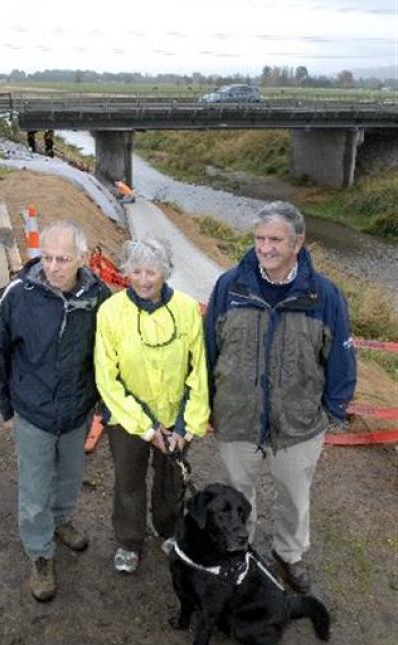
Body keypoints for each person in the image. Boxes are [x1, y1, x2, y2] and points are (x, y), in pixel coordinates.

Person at [205, 201, 356, 594]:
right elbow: (208, 348)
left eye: (275, 239)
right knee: (238, 497)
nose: (266, 247)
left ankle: (289, 555)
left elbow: (341, 355)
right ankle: (241, 552)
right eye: (260, 238)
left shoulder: (324, 295)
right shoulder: (229, 287)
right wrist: (207, 401)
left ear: (298, 242)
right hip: (238, 417)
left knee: (294, 495)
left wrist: (334, 407)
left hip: (300, 423)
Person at [0, 220, 111, 601]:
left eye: (63, 259)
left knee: (70, 477)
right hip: (34, 413)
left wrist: (102, 406)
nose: (53, 267)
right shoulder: (17, 295)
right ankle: (40, 553)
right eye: (47, 257)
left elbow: (109, 356)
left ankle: (60, 521)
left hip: (76, 412)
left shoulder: (99, 296)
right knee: (35, 490)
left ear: (83, 259)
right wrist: (3, 408)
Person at [94, 237, 210, 574]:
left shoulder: (187, 309)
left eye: (152, 272)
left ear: (166, 272)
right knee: (128, 479)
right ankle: (129, 542)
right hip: (127, 420)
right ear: (127, 272)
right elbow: (107, 378)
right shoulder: (111, 312)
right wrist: (145, 426)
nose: (144, 280)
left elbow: (198, 372)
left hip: (175, 418)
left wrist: (185, 428)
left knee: (171, 478)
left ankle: (169, 530)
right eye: (137, 271)